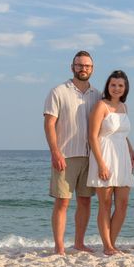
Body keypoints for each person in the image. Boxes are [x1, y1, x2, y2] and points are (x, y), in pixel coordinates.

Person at [43, 51, 101, 255]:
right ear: (72, 67)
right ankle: (59, 246)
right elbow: (49, 124)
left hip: (90, 156)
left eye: (87, 66)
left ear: (92, 69)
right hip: (65, 155)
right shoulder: (58, 92)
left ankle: (79, 243)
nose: (83, 69)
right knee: (63, 202)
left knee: (85, 201)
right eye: (79, 65)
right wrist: (55, 152)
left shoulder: (98, 95)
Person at [87, 70, 134, 256]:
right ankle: (107, 246)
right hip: (104, 155)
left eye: (120, 85)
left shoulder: (124, 107)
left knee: (123, 203)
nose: (116, 88)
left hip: (122, 156)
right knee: (106, 204)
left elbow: (123, 135)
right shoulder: (101, 106)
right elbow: (92, 137)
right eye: (113, 85)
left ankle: (112, 243)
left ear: (125, 88)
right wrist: (101, 164)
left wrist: (132, 152)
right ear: (108, 86)